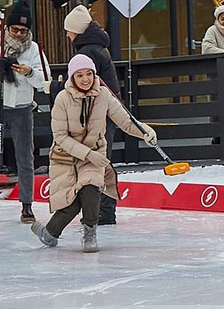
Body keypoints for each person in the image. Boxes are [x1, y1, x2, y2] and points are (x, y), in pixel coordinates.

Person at [36, 53, 150, 251]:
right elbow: (60, 136)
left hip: (94, 152)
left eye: (89, 73)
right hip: (66, 156)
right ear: (72, 77)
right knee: (72, 199)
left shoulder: (103, 95)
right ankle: (50, 233)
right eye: (80, 75)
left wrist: (145, 132)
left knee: (90, 188)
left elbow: (124, 121)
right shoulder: (62, 99)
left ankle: (90, 235)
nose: (86, 79)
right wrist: (89, 155)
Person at [0, 3, 50, 224]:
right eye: (15, 29)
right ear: (7, 28)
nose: (18, 34)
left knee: (25, 156)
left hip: (22, 107)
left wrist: (29, 71)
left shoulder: (34, 50)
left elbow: (45, 81)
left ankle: (27, 206)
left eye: (23, 31)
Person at [63, 4, 122, 220]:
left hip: (101, 114)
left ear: (77, 30)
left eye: (69, 30)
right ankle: (103, 210)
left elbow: (86, 89)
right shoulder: (95, 48)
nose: (67, 34)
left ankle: (103, 211)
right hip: (106, 113)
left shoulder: (87, 52)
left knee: (99, 161)